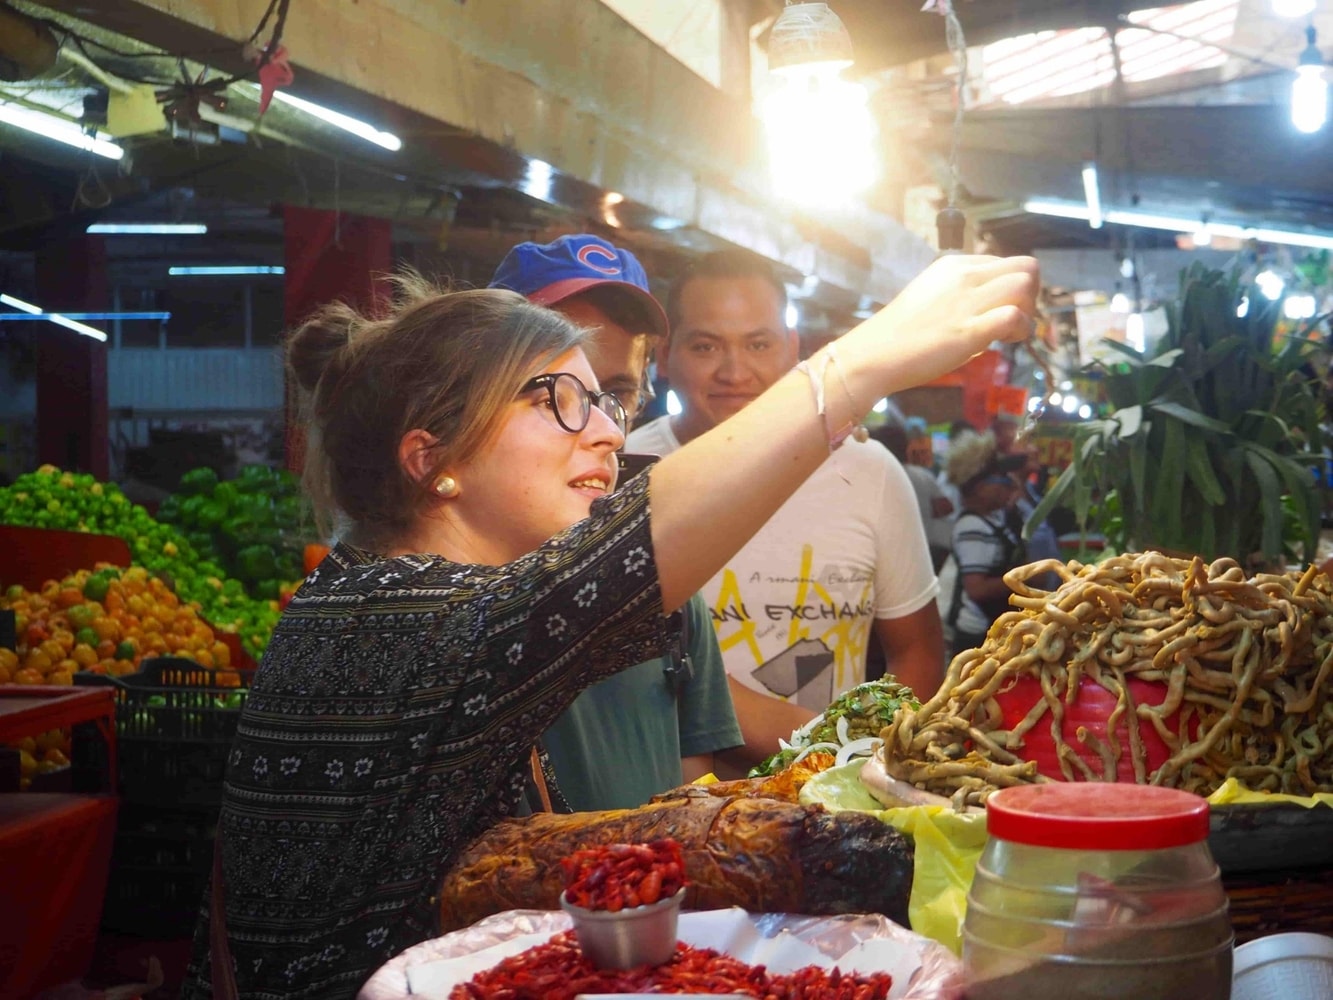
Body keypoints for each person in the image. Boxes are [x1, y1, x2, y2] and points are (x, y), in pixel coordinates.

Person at [182, 253, 1039, 999]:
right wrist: (865, 361)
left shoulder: (455, 612)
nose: (602, 431)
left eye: (605, 401)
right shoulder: (387, 619)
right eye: (555, 399)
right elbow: (628, 555)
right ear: (431, 457)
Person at [628, 251, 947, 768]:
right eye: (706, 345)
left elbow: (917, 651)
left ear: (793, 351)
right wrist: (829, 750)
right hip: (669, 810)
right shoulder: (628, 474)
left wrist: (872, 766)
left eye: (758, 344)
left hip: (834, 812)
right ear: (664, 356)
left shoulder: (868, 470)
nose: (735, 371)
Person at [489, 234, 742, 809]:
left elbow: (688, 812)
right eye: (558, 394)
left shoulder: (668, 593)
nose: (603, 428)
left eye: (617, 394)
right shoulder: (432, 607)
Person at [944, 429, 1029, 657]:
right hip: (978, 636)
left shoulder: (992, 520)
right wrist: (1025, 578)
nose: (1007, 487)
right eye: (1002, 480)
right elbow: (977, 589)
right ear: (980, 488)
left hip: (993, 629)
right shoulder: (972, 527)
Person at [871, 421, 955, 574]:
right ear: (905, 446)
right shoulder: (921, 475)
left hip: (889, 555)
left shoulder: (872, 478)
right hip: (924, 551)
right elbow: (947, 507)